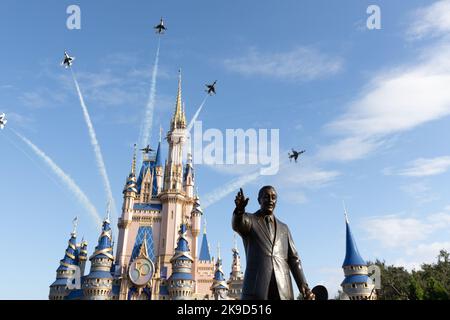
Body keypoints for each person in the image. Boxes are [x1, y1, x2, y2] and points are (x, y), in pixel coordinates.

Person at [232, 186, 314, 300]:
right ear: (259, 200)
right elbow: (237, 225)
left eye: (273, 197)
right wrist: (240, 211)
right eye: (266, 197)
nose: (270, 200)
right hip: (256, 289)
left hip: (283, 289)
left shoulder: (284, 229)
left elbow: (294, 260)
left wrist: (304, 288)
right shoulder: (250, 220)